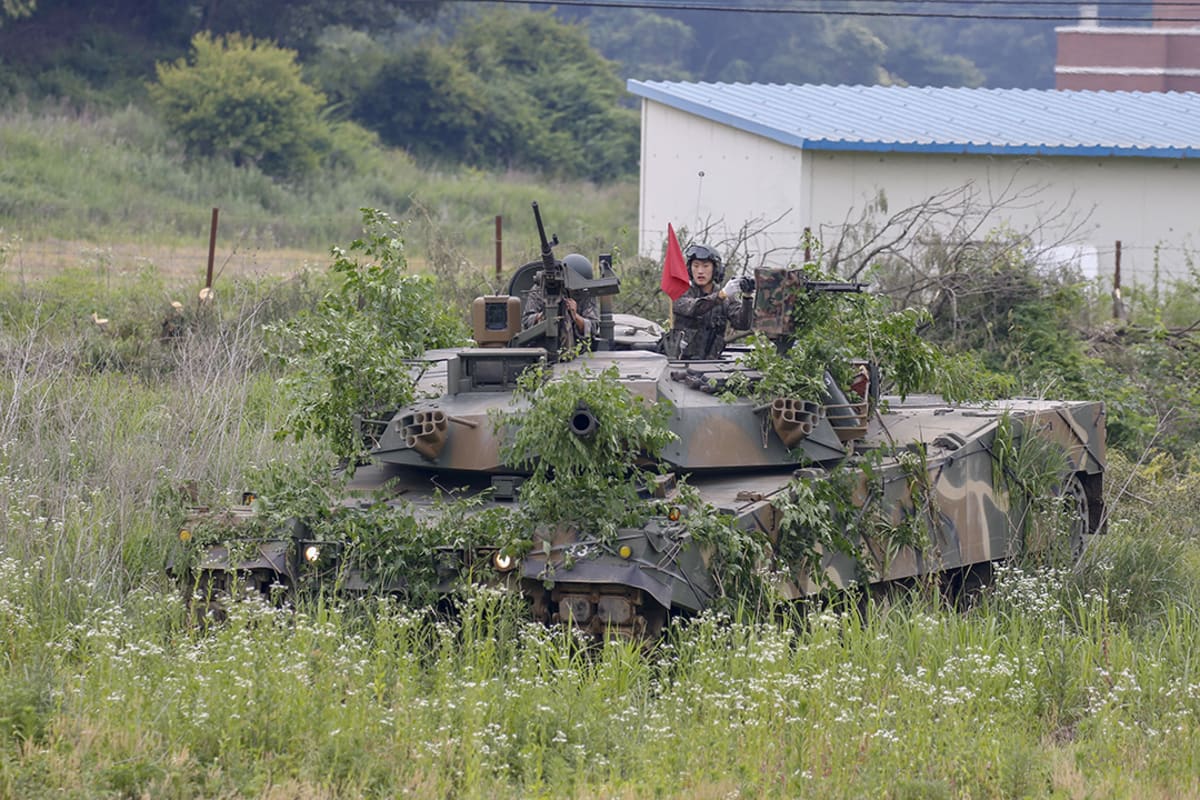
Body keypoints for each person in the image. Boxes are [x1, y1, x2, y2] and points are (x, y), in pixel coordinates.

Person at [662, 243, 754, 359]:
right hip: (680, 363)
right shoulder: (681, 293)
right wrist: (722, 295)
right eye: (696, 266)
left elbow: (743, 324)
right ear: (690, 269)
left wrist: (747, 297)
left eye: (705, 266)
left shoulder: (726, 298)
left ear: (715, 270)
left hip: (710, 364)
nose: (700, 271)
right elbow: (695, 308)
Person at [521, 253, 600, 353]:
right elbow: (526, 321)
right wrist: (545, 315)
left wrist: (575, 316)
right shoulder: (540, 290)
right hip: (541, 347)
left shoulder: (585, 293)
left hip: (576, 350)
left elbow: (593, 328)